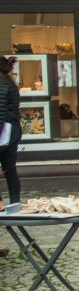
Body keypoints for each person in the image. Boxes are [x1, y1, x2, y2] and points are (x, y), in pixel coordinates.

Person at [0, 56, 21, 212]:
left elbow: (1, 111)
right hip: (12, 130)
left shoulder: (2, 84)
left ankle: (1, 205)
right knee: (9, 169)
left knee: (9, 168)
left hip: (4, 131)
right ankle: (15, 204)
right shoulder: (9, 82)